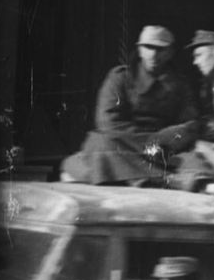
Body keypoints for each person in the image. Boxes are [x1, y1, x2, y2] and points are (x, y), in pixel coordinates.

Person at [59, 25, 200, 184]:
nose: (153, 54)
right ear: (139, 50)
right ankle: (162, 178)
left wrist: (166, 138)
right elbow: (108, 122)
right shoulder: (120, 78)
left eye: (160, 49)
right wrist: (148, 141)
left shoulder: (180, 84)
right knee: (101, 144)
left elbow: (189, 123)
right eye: (148, 47)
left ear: (170, 52)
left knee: (196, 155)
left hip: (161, 148)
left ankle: (135, 176)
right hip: (126, 143)